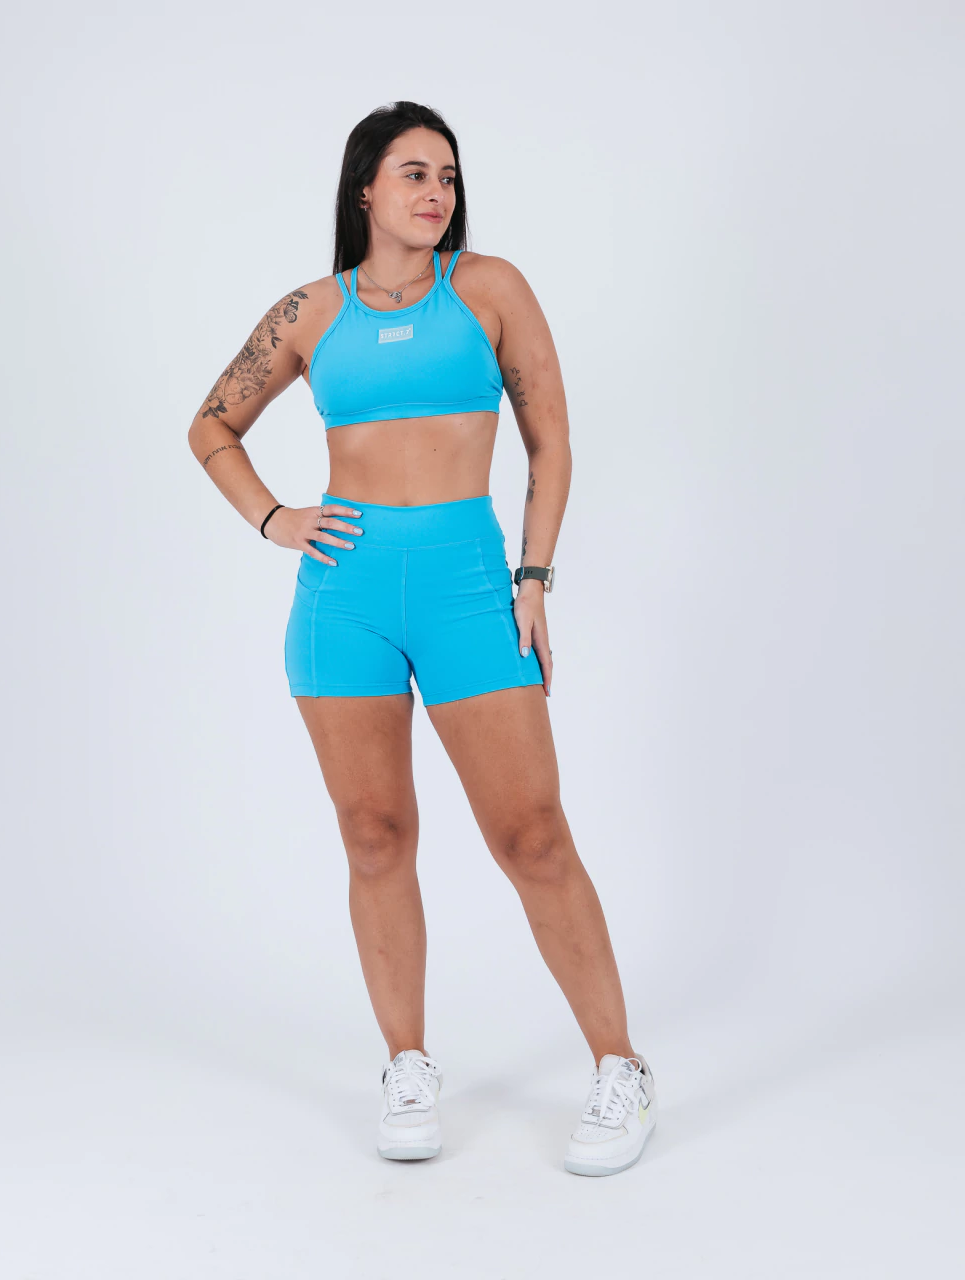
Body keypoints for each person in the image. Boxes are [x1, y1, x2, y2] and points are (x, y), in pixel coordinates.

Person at [187, 101, 657, 1176]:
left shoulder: (488, 288)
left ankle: (621, 1065)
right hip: (343, 594)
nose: (435, 191)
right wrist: (274, 518)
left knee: (531, 835)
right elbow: (210, 423)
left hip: (467, 588)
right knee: (374, 834)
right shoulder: (309, 311)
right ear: (365, 187)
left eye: (447, 175)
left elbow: (551, 442)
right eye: (413, 172)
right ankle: (406, 1062)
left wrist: (534, 576)